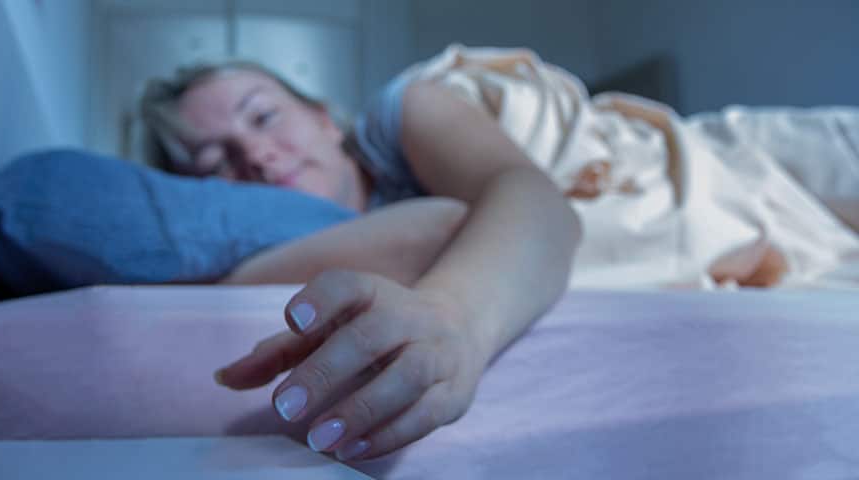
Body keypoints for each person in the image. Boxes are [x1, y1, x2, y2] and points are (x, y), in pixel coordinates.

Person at [139, 45, 859, 460]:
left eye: (263, 117)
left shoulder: (405, 111)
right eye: (215, 163)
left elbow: (530, 197)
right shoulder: (353, 235)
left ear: (325, 118)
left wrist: (451, 316)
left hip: (726, 170)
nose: (257, 155)